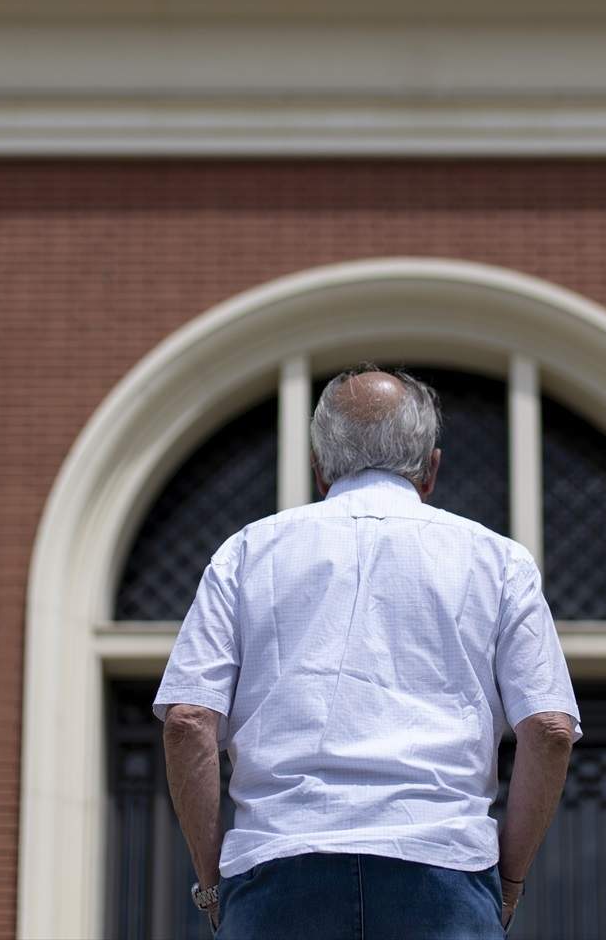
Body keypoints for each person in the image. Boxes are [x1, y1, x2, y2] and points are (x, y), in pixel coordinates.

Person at [157, 365, 581, 938]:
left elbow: (187, 721)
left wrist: (213, 885)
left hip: (279, 870)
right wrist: (508, 883)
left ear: (319, 469)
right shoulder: (499, 561)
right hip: (443, 873)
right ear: (431, 468)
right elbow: (551, 729)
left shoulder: (246, 553)